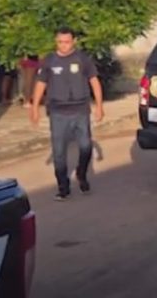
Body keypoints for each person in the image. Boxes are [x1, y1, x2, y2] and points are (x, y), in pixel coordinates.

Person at [31, 27, 105, 200]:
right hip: (58, 112)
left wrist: (99, 106)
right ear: (56, 42)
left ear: (73, 42)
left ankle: (81, 173)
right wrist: (35, 107)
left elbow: (94, 81)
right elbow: (40, 84)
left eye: (67, 42)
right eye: (60, 42)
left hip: (80, 111)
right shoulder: (49, 60)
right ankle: (63, 187)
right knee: (58, 152)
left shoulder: (82, 59)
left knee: (86, 146)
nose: (63, 45)